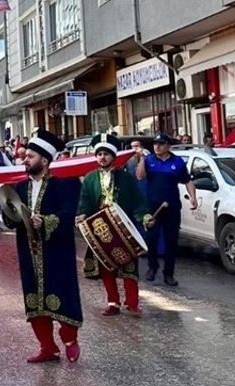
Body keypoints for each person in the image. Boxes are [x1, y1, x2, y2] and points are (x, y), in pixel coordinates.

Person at [10, 129, 83, 363]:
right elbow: (11, 216)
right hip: (29, 250)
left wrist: (47, 221)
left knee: (63, 294)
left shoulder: (64, 186)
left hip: (57, 250)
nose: (25, 160)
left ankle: (69, 339)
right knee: (34, 299)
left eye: (30, 156)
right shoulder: (20, 188)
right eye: (25, 156)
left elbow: (69, 212)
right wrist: (9, 214)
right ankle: (47, 347)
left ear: (44, 159)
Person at [78, 134, 146, 316]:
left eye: (106, 154)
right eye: (99, 154)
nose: (102, 157)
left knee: (129, 267)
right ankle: (113, 302)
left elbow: (138, 201)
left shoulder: (126, 178)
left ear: (113, 156)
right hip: (100, 227)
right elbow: (84, 201)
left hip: (122, 228)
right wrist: (82, 214)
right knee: (106, 267)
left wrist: (144, 216)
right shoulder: (90, 178)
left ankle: (132, 303)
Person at [135, 134, 199, 286]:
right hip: (152, 207)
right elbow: (139, 176)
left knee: (171, 241)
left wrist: (193, 197)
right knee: (152, 238)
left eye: (161, 144)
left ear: (168, 146)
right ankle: (152, 267)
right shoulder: (149, 160)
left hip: (172, 207)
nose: (157, 146)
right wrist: (142, 159)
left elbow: (188, 181)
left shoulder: (177, 162)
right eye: (155, 144)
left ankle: (168, 273)